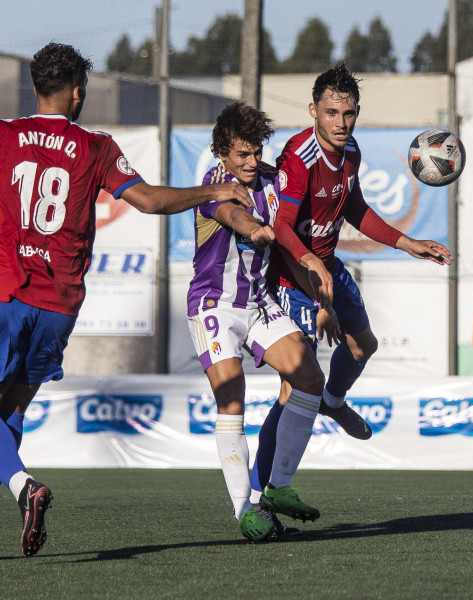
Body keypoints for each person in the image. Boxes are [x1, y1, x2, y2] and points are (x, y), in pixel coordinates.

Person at [0, 42, 251, 556]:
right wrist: (211, 192)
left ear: (34, 88)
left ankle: (25, 487)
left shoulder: (0, 135)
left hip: (7, 291)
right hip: (60, 303)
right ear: (78, 93)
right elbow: (149, 201)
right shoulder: (95, 146)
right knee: (9, 411)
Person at [249, 62, 453, 502]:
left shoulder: (352, 151)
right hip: (292, 274)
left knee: (363, 345)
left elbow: (355, 209)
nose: (342, 123)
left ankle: (334, 403)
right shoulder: (298, 157)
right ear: (313, 111)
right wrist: (309, 265)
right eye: (331, 113)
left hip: (327, 265)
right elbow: (283, 227)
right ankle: (260, 493)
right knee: (292, 387)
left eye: (349, 113)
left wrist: (405, 241)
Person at [187, 101, 326, 543]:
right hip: (214, 306)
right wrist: (253, 229)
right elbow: (232, 214)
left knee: (309, 376)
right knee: (232, 396)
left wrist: (319, 287)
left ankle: (278, 488)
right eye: (241, 155)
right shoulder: (214, 183)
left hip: (259, 303)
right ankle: (243, 509)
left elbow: (287, 233)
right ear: (223, 152)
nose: (250, 162)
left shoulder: (273, 181)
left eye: (255, 152)